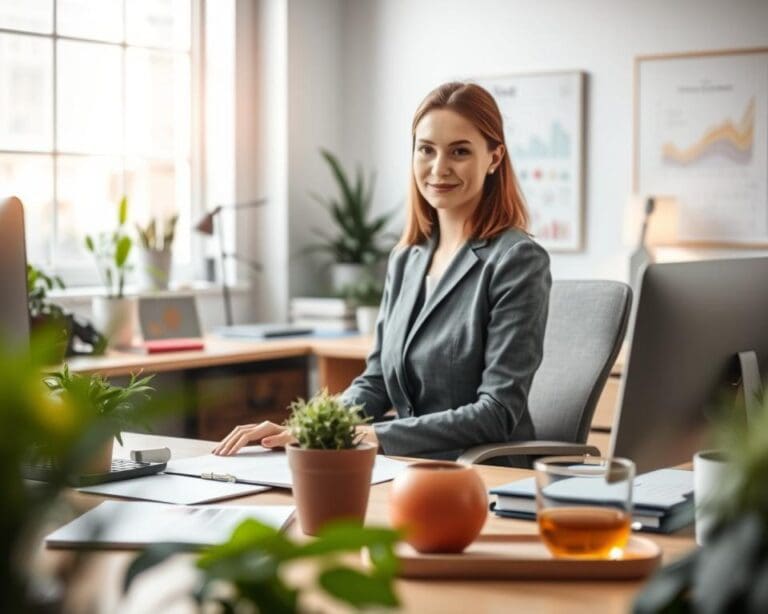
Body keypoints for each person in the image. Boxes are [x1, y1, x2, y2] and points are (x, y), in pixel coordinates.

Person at [214, 81, 551, 460]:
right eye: (426, 150)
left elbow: (497, 413)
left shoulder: (517, 260)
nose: (439, 168)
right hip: (405, 466)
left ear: (494, 158)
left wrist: (376, 436)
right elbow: (376, 384)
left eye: (459, 151)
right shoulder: (407, 257)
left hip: (479, 474)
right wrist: (305, 427)